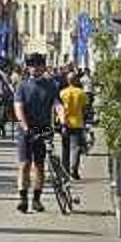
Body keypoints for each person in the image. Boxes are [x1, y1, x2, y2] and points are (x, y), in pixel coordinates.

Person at [13, 54, 64, 213]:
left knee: (40, 165)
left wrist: (63, 121)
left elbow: (57, 104)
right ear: (28, 68)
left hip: (43, 129)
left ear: (43, 67)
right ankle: (22, 198)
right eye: (31, 65)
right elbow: (18, 108)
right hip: (25, 129)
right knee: (24, 164)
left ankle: (36, 198)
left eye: (37, 65)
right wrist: (26, 127)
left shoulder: (51, 85)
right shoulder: (22, 85)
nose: (34, 68)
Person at [59, 72, 88, 180]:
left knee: (65, 147)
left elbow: (58, 108)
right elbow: (85, 109)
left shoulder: (62, 93)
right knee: (76, 148)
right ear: (76, 80)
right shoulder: (81, 93)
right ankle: (74, 169)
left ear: (67, 81)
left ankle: (64, 171)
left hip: (64, 123)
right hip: (77, 123)